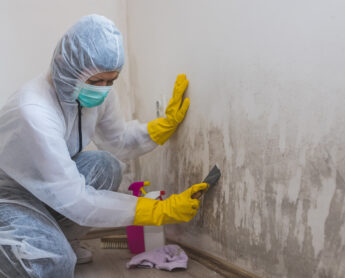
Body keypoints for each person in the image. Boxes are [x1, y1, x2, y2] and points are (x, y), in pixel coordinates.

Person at [0, 14, 208, 278]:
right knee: (53, 262)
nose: (103, 89)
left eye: (112, 80)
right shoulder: (34, 110)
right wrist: (156, 210)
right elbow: (74, 200)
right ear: (67, 67)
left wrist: (161, 127)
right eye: (96, 81)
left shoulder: (98, 91)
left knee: (106, 166)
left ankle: (59, 238)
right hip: (11, 196)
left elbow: (118, 141)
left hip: (50, 189)